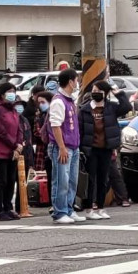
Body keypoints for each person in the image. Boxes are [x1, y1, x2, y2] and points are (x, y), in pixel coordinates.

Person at [78, 80, 129, 220]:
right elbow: (80, 130)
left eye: (99, 91)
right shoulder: (85, 109)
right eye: (93, 91)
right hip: (90, 150)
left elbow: (127, 106)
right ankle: (89, 208)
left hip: (106, 149)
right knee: (91, 179)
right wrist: (81, 148)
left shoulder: (111, 108)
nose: (95, 93)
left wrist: (118, 92)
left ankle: (100, 208)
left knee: (103, 179)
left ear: (105, 93)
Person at [46, 68, 83, 224]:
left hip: (73, 146)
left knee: (72, 180)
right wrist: (61, 147)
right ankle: (59, 211)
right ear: (70, 82)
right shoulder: (59, 101)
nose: (77, 83)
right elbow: (55, 125)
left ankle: (69, 208)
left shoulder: (69, 100)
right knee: (61, 180)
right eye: (76, 80)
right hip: (63, 147)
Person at [0, 82, 23, 221]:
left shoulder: (14, 110)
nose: (12, 93)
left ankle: (8, 207)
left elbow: (19, 128)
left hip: (14, 150)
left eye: (14, 91)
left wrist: (19, 144)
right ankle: (0, 210)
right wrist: (14, 144)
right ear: (2, 94)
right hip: (1, 150)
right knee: (2, 181)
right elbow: (0, 131)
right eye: (9, 91)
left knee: (11, 180)